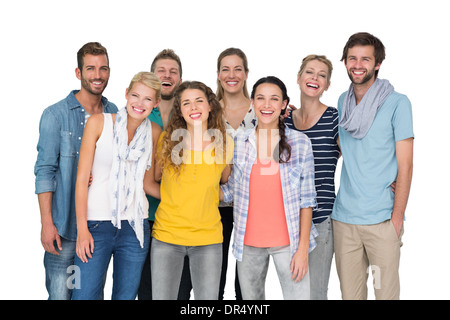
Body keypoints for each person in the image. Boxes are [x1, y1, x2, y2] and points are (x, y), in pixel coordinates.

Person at [331, 32, 414, 300]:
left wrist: (396, 219)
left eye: (365, 59)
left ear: (377, 63)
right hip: (345, 221)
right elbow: (350, 148)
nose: (358, 64)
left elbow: (406, 164)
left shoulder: (397, 103)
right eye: (352, 58)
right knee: (351, 297)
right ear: (345, 62)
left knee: (385, 295)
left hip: (381, 222)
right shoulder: (343, 102)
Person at [221, 76, 318, 300]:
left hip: (289, 244)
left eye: (274, 99)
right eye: (261, 99)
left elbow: (307, 200)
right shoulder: (240, 142)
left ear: (284, 104)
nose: (267, 105)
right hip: (248, 244)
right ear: (252, 103)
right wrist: (196, 189)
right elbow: (232, 190)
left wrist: (302, 250)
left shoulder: (300, 142)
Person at [34, 42, 117, 300]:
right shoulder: (55, 115)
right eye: (90, 68)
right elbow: (45, 171)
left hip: (98, 228)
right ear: (78, 73)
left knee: (89, 295)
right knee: (61, 295)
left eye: (103, 68)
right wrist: (47, 223)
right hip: (65, 229)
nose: (97, 75)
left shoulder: (115, 114)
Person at [72, 72, 162, 300]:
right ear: (126, 94)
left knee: (126, 297)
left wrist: (184, 198)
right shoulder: (98, 123)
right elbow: (82, 180)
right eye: (135, 95)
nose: (139, 103)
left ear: (156, 103)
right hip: (95, 226)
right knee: (83, 295)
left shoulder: (154, 132)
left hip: (135, 228)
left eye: (148, 99)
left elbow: (148, 182)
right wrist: (82, 229)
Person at [150, 81, 234, 300]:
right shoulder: (166, 141)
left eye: (199, 101)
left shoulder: (224, 144)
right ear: (180, 110)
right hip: (167, 237)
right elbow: (153, 180)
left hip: (208, 239)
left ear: (210, 106)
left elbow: (224, 181)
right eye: (186, 103)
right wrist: (175, 198)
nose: (193, 107)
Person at [284, 54, 340, 300]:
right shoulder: (285, 123)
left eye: (322, 75)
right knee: (294, 293)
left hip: (321, 219)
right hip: (288, 222)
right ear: (298, 78)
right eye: (309, 72)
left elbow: (358, 157)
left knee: (315, 294)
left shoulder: (334, 118)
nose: (314, 78)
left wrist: (388, 177)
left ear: (327, 85)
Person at [138, 49, 183, 300]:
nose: (167, 75)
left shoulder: (190, 113)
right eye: (161, 71)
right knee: (145, 288)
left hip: (180, 220)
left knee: (177, 290)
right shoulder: (140, 111)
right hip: (144, 217)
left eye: (173, 71)